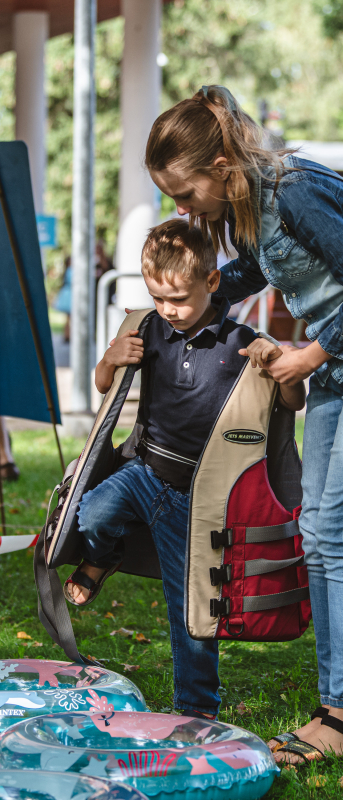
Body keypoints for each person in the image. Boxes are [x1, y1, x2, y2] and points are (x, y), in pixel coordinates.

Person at [144, 85, 343, 763]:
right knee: (318, 527)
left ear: (219, 165)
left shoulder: (294, 190)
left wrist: (306, 355)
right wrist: (182, 293)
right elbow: (258, 268)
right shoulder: (248, 207)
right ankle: (340, 700)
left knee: (339, 529)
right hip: (342, 360)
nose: (181, 208)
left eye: (184, 193)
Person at [62, 219, 306, 720]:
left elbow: (292, 400)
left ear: (212, 282)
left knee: (191, 608)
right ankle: (100, 558)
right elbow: (105, 383)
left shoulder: (242, 342)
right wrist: (109, 359)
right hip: (145, 472)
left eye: (178, 299)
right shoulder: (149, 328)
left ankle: (197, 710)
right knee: (94, 513)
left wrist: (276, 362)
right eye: (157, 298)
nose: (168, 311)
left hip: (196, 499)